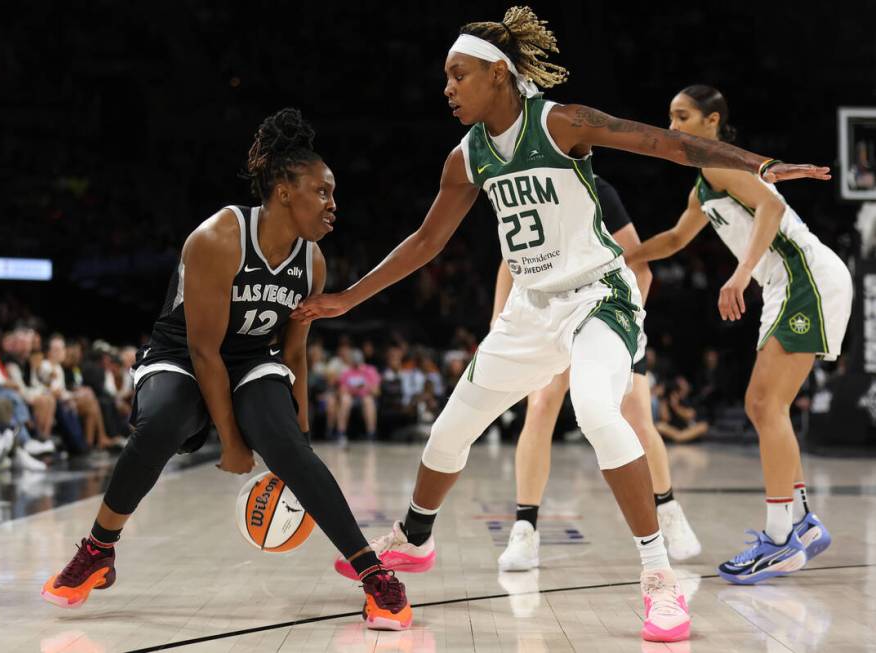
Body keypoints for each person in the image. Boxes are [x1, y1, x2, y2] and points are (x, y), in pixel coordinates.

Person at [294, 7, 827, 642]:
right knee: (450, 428)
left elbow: (668, 144)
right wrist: (349, 297)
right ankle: (414, 537)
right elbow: (427, 241)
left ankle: (659, 582)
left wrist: (756, 163)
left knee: (599, 410)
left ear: (498, 74)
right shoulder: (464, 158)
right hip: (531, 307)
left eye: (458, 75)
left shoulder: (562, 123)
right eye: (446, 78)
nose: (447, 88)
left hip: (598, 296)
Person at [40, 108, 412, 631]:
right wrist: (233, 444)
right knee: (164, 421)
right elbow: (204, 350)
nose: (334, 205)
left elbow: (295, 353)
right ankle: (99, 550)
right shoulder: (218, 237)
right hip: (183, 354)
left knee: (289, 447)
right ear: (284, 190)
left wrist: (296, 438)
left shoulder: (314, 262)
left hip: (254, 358)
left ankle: (375, 577)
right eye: (323, 191)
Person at [623, 84, 850, 585]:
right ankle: (801, 523)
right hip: (788, 282)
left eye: (682, 117)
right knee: (764, 407)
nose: (672, 128)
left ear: (712, 122)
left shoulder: (718, 164)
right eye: (669, 117)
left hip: (801, 276)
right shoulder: (702, 185)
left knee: (766, 406)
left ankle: (779, 539)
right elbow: (678, 238)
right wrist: (621, 258)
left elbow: (770, 208)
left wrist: (741, 272)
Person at [490, 176, 701, 573]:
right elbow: (510, 262)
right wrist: (496, 322)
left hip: (606, 312)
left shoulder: (598, 191)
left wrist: (625, 327)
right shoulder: (523, 186)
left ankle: (668, 508)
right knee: (540, 407)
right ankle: (524, 528)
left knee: (637, 417)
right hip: (553, 316)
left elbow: (642, 267)